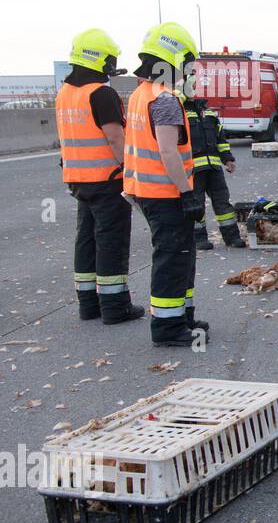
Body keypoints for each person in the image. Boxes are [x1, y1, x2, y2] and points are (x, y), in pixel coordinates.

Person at [122, 21, 208, 347]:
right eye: (186, 65)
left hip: (145, 190)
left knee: (181, 254)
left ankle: (182, 316)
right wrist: (187, 194)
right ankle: (168, 328)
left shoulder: (140, 94)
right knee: (173, 257)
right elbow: (168, 151)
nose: (188, 73)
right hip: (166, 192)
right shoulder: (166, 100)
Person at [54, 28, 143, 325]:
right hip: (108, 179)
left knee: (86, 240)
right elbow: (116, 139)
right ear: (99, 59)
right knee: (110, 241)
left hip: (78, 179)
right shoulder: (102, 94)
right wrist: (131, 172)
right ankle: (115, 307)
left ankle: (88, 305)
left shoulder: (65, 93)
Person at [182, 74, 245, 250]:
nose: (194, 90)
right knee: (197, 204)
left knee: (222, 202)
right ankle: (198, 238)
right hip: (193, 169)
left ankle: (232, 237)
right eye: (190, 87)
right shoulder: (180, 112)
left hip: (214, 168)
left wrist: (228, 158)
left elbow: (220, 139)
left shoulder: (208, 112)